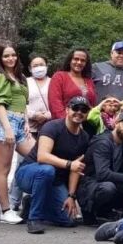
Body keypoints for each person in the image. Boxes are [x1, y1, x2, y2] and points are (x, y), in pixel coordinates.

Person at [14, 96, 91, 234]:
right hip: (29, 173)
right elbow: (42, 156)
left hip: (55, 181)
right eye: (75, 108)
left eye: (84, 110)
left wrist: (71, 196)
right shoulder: (52, 127)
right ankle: (34, 218)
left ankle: (32, 203)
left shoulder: (84, 137)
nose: (79, 112)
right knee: (47, 170)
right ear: (67, 109)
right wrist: (68, 164)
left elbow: (76, 168)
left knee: (69, 221)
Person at [0, 43, 30, 225]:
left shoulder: (19, 77)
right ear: (0, 59)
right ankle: (6, 210)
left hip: (21, 123)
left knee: (38, 157)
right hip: (6, 122)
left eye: (13, 55)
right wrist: (8, 128)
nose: (10, 59)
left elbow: (23, 102)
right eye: (6, 56)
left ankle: (29, 198)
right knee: (3, 169)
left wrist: (26, 121)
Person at [77, 111, 123, 224]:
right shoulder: (103, 142)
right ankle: (90, 211)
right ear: (116, 123)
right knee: (108, 188)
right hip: (91, 183)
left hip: (111, 180)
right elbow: (102, 174)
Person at [9, 55, 52, 213]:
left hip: (48, 129)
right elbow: (21, 102)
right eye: (35, 65)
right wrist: (34, 115)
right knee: (22, 163)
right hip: (28, 129)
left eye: (42, 64)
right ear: (29, 68)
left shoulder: (53, 82)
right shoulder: (24, 82)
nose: (39, 67)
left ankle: (40, 202)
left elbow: (56, 102)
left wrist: (47, 115)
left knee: (46, 165)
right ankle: (13, 202)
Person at [48, 48, 96, 119]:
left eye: (83, 60)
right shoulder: (59, 77)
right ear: (70, 60)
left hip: (87, 124)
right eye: (76, 59)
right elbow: (54, 104)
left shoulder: (89, 81)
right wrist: (68, 123)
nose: (79, 62)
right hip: (64, 124)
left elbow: (93, 105)